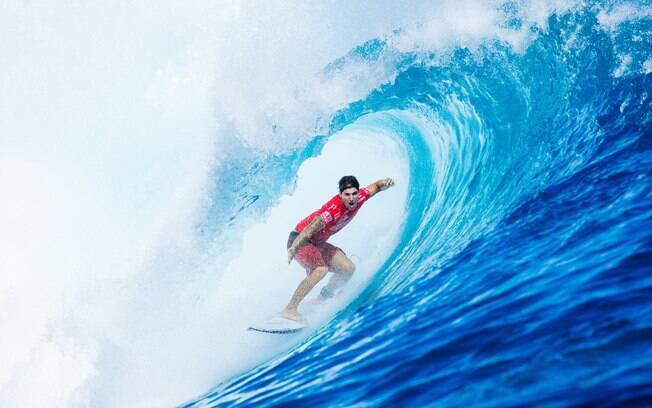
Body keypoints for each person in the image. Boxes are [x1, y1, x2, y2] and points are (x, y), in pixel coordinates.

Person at [282, 175, 395, 321]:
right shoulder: (332, 211)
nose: (351, 198)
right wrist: (293, 249)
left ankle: (322, 298)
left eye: (354, 193)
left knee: (348, 268)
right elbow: (309, 231)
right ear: (340, 195)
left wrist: (385, 183)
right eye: (346, 195)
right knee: (320, 269)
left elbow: (377, 186)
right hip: (299, 240)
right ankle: (289, 309)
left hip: (318, 243)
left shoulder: (360, 198)